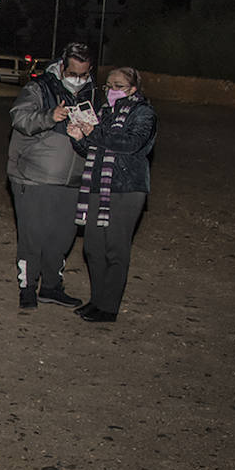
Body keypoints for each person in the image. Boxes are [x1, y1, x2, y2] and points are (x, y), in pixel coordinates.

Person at [6, 42, 97, 309]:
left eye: (84, 74)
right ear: (62, 67)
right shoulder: (40, 86)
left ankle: (51, 287)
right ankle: (28, 288)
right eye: (73, 73)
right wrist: (50, 116)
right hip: (33, 177)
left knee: (62, 236)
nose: (78, 80)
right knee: (33, 235)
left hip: (73, 179)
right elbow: (19, 118)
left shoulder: (91, 92)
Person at [66, 66, 157, 323]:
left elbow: (130, 145)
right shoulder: (104, 113)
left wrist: (93, 133)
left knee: (115, 248)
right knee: (93, 248)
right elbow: (93, 148)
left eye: (119, 86)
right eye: (108, 85)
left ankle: (109, 307)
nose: (112, 90)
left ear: (133, 89)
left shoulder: (144, 113)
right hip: (97, 185)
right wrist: (78, 137)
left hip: (126, 188)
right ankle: (97, 300)